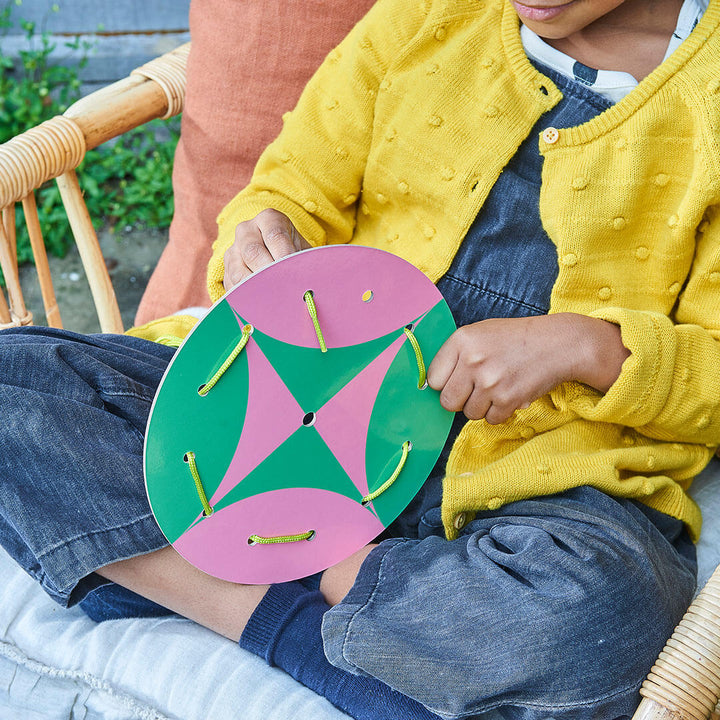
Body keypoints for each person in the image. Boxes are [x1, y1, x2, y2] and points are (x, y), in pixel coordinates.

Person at [1, 0, 718, 717]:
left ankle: (215, 580)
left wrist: (589, 347)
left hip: (536, 485)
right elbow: (290, 189)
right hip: (287, 420)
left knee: (602, 619)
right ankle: (339, 639)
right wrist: (263, 238)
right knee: (15, 385)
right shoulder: (426, 18)